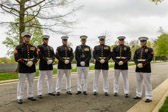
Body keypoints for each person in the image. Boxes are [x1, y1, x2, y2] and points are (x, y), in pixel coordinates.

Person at [14, 32, 39, 104]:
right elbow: (16, 57)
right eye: (26, 37)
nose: (28, 38)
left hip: (31, 67)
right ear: (23, 38)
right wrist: (25, 62)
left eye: (29, 37)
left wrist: (33, 61)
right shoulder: (18, 47)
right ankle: (19, 97)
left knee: (30, 82)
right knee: (21, 83)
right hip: (22, 67)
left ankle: (30, 95)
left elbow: (37, 56)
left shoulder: (33, 47)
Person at [133, 37, 154, 103]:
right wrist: (137, 64)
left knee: (147, 83)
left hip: (146, 69)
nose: (142, 43)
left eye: (143, 41)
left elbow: (150, 58)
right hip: (138, 69)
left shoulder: (150, 50)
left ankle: (149, 96)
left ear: (146, 42)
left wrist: (143, 64)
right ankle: (138, 94)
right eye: (141, 41)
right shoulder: (137, 50)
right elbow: (134, 58)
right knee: (138, 82)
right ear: (140, 42)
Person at [37, 35, 55, 99]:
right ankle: (39, 93)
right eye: (45, 39)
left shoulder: (51, 48)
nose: (46, 41)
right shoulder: (39, 47)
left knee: (50, 79)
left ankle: (50, 91)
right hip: (43, 65)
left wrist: (52, 60)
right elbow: (40, 55)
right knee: (41, 79)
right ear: (43, 40)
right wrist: (46, 60)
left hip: (50, 66)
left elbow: (53, 55)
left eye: (47, 40)